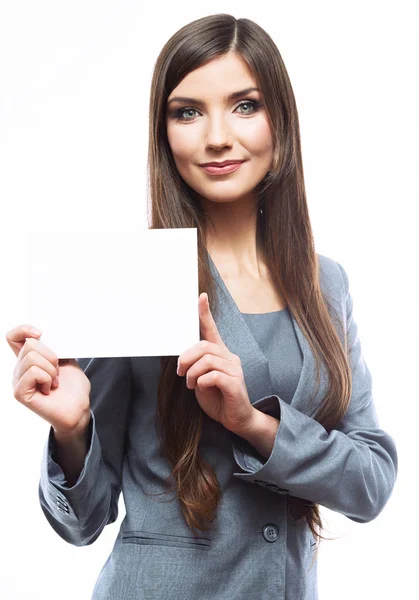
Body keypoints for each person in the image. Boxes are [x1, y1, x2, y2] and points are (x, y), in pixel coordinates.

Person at [6, 13, 398, 600]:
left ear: (280, 120)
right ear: (164, 132)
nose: (217, 136)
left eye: (244, 105)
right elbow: (80, 524)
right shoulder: (130, 277)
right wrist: (74, 431)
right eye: (187, 112)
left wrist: (255, 425)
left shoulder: (326, 283)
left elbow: (371, 484)